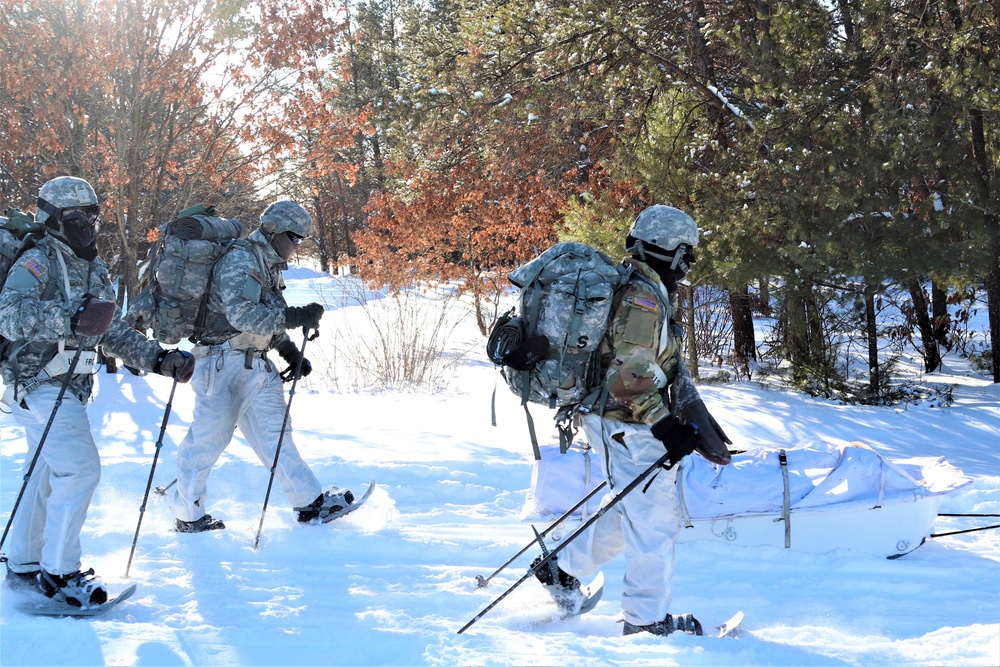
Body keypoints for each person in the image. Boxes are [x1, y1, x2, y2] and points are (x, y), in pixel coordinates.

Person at [530, 205, 733, 636]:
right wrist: (666, 427)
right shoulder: (642, 298)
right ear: (672, 251)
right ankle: (645, 623)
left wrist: (686, 410)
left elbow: (655, 363)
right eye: (687, 253)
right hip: (629, 423)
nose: (689, 263)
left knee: (633, 508)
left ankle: (561, 568)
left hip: (619, 421)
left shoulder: (641, 286)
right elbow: (628, 373)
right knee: (655, 522)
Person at [0, 176, 196, 606]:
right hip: (38, 382)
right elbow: (8, 316)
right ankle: (60, 572)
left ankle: (25, 563)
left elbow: (111, 329)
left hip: (68, 386)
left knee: (51, 471)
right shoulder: (37, 261)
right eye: (75, 217)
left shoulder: (93, 265)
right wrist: (70, 317)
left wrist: (158, 359)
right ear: (52, 219)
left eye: (91, 216)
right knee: (80, 469)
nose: (86, 225)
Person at [170, 199, 354, 533]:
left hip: (255, 365)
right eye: (293, 238)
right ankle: (188, 514)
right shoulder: (241, 258)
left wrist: (287, 351)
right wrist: (295, 316)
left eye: (301, 240)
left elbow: (266, 316)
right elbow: (241, 315)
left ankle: (309, 503)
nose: (297, 246)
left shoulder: (268, 265)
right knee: (207, 442)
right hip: (221, 363)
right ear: (274, 230)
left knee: (277, 435)